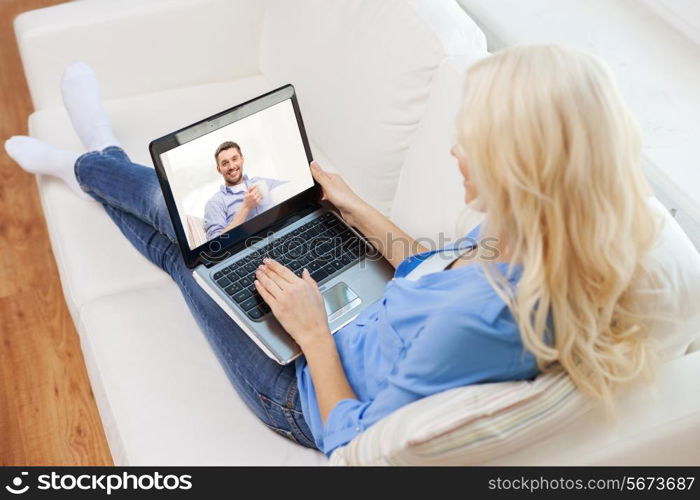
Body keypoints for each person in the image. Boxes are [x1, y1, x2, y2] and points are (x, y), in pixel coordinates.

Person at [5, 45, 661, 457]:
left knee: (190, 252)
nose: (456, 151)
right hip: (350, 321)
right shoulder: (533, 242)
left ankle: (85, 160)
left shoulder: (482, 323)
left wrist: (313, 333)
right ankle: (96, 159)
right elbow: (427, 272)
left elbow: (355, 439)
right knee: (201, 237)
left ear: (521, 167)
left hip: (302, 388)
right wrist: (351, 204)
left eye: (474, 142)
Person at [204, 141, 287, 240]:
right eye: (225, 163)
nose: (231, 166)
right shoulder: (215, 202)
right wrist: (246, 207)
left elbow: (293, 188)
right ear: (219, 169)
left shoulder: (260, 181)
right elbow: (215, 244)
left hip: (283, 233)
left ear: (242, 159)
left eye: (234, 159)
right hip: (251, 246)